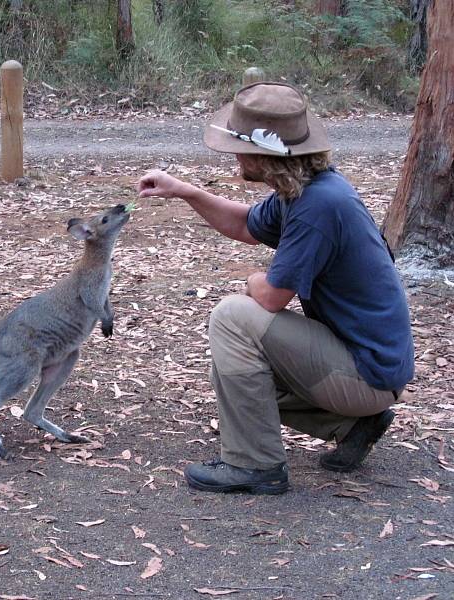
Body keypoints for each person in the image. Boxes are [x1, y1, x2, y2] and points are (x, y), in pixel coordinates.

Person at [137, 82, 414, 495]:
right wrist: (184, 191)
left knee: (233, 317)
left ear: (262, 154)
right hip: (367, 366)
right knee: (234, 374)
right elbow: (246, 225)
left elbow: (268, 296)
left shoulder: (318, 207)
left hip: (366, 373)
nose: (232, 155)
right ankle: (353, 425)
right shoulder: (305, 190)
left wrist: (251, 281)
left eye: (237, 146)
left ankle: (255, 465)